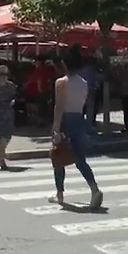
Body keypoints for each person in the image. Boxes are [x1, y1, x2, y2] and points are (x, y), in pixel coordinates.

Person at [48, 45, 103, 209]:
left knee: (58, 157)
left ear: (65, 64)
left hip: (66, 119)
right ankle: (94, 188)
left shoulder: (61, 82)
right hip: (79, 119)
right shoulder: (84, 83)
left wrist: (56, 128)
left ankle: (60, 193)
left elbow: (59, 106)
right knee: (80, 159)